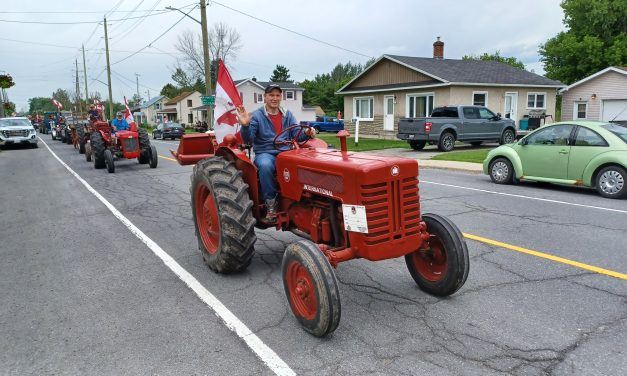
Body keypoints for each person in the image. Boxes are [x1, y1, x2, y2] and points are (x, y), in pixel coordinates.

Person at [237, 84, 315, 223]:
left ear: (281, 97)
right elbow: (249, 139)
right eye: (271, 95)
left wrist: (307, 133)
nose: (274, 98)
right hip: (265, 152)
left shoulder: (287, 114)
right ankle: (271, 205)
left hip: (285, 151)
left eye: (277, 95)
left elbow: (296, 134)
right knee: (266, 166)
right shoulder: (256, 115)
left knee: (305, 162)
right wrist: (245, 125)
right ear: (265, 97)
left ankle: (305, 200)